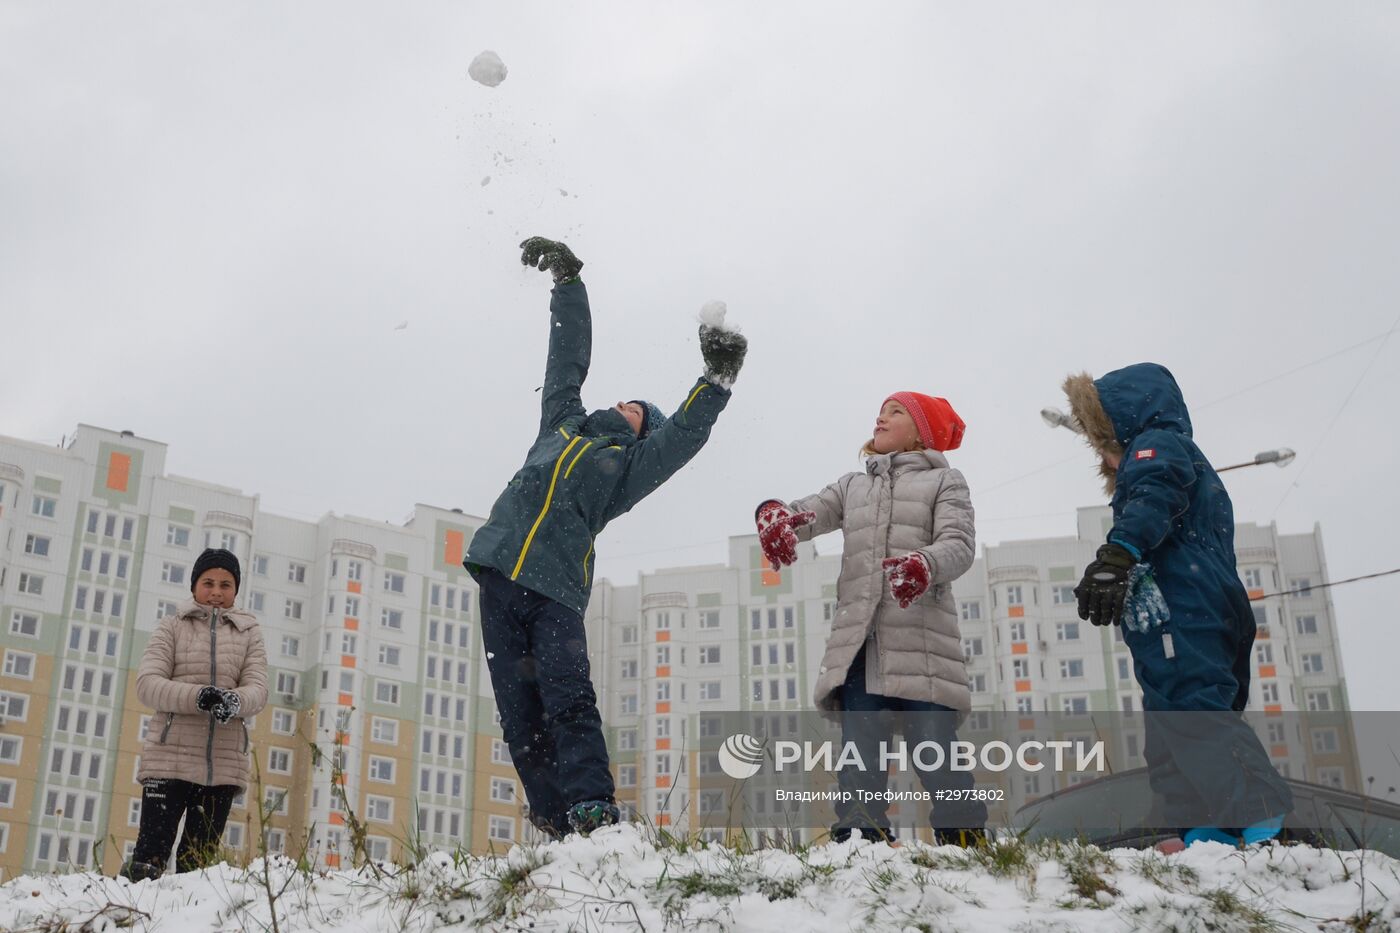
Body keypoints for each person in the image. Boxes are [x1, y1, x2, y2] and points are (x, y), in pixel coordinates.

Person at [466, 237, 746, 837]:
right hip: (498, 574)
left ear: (642, 435)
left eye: (639, 410)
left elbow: (684, 438)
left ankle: (592, 805)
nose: (626, 405)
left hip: (556, 591)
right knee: (519, 716)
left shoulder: (626, 471)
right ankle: (551, 815)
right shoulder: (561, 421)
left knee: (568, 698)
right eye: (625, 399)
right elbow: (565, 360)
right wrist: (569, 281)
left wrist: (716, 381)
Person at [1062, 362, 1292, 849]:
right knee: (1170, 722)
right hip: (1189, 608)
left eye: (1102, 441)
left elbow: (1153, 493)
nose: (1103, 460)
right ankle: (1204, 831)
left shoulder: (1158, 446)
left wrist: (1117, 555)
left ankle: (1261, 816)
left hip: (1183, 608)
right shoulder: (1181, 459)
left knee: (1191, 709)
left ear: (1124, 420)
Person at [755, 391, 988, 846]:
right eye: (880, 411)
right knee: (860, 749)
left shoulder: (945, 482)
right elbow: (809, 512)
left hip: (923, 643)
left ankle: (964, 838)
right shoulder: (852, 486)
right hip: (863, 644)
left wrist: (923, 564)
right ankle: (861, 839)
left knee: (935, 746)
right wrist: (776, 517)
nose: (881, 418)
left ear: (922, 431)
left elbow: (959, 545)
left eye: (895, 412)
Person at [120, 548, 268, 880]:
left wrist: (235, 701)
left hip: (223, 767)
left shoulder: (249, 633)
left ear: (236, 590)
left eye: (226, 585)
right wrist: (197, 696)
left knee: (196, 867)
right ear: (194, 586)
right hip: (167, 760)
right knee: (149, 857)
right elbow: (147, 684)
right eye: (208, 582)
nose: (216, 592)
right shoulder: (172, 626)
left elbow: (258, 688)